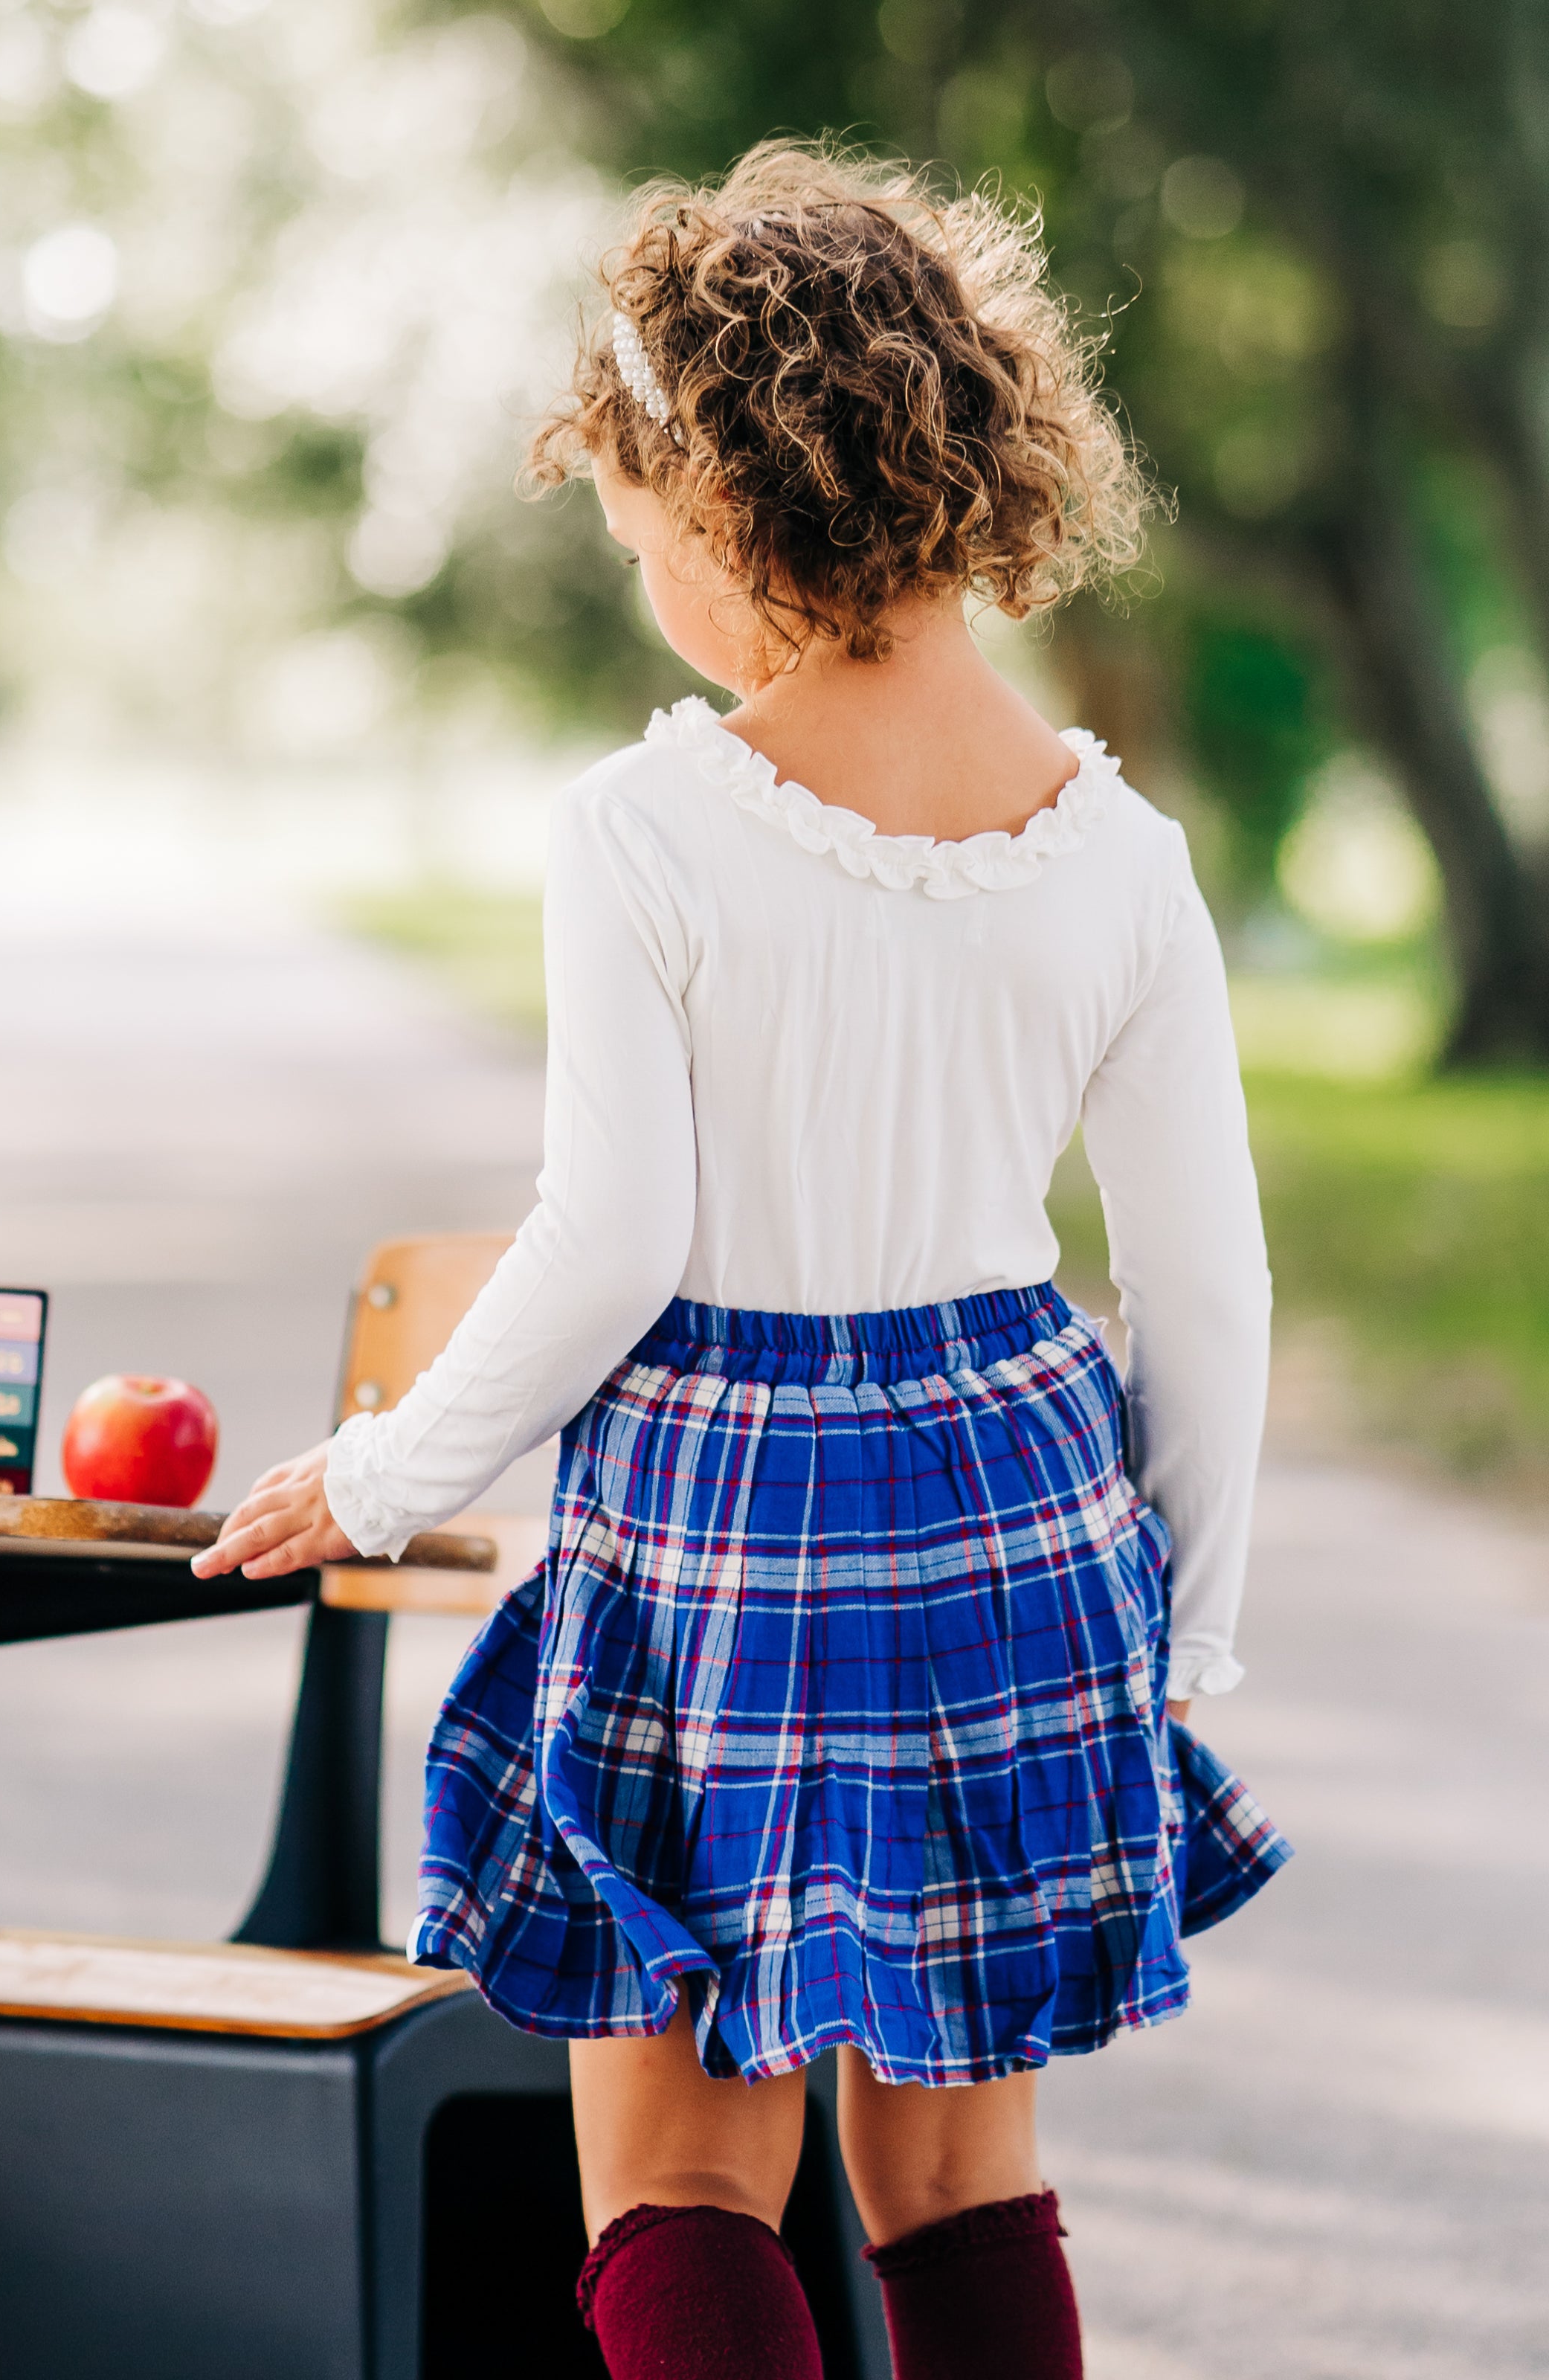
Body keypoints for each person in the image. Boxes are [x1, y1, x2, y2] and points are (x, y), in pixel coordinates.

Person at [195, 141, 1292, 2380]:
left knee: (686, 2182)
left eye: (633, 544)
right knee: (968, 2193)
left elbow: (616, 1244)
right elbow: (1209, 1288)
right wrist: (1185, 1629)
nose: (643, 593)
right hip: (1018, 1515)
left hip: (728, 1521)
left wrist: (389, 1476)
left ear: (720, 503)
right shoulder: (1126, 858)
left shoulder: (647, 827)